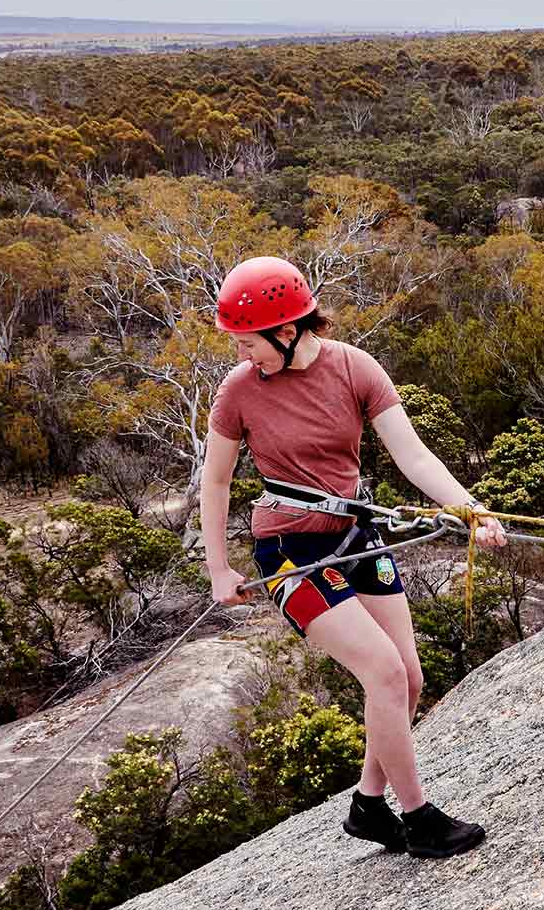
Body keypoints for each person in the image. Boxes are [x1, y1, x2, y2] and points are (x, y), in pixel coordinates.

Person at [200, 255, 505, 859]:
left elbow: (414, 457)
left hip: (357, 538)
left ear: (287, 331)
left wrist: (472, 510)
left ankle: (368, 806)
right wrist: (218, 569)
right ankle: (417, 818)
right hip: (289, 549)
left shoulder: (356, 368)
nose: (243, 357)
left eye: (248, 343)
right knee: (383, 672)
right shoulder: (237, 393)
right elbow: (215, 482)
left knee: (409, 680)